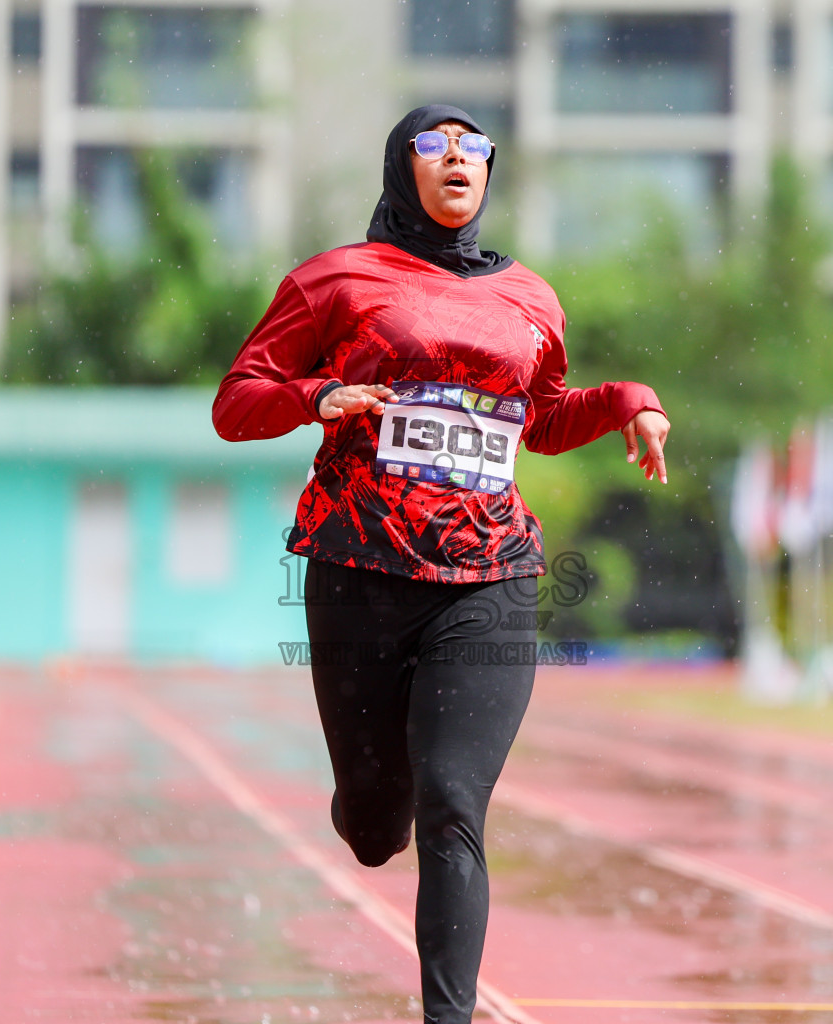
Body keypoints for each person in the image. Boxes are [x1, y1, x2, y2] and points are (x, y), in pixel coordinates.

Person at [212, 104, 670, 1024]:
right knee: (381, 829)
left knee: (455, 802)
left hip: (490, 574)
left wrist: (627, 400)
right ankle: (366, 805)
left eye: (474, 147)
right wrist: (318, 395)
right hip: (361, 571)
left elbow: (540, 417)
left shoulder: (530, 297)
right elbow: (235, 404)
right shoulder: (336, 279)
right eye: (435, 145)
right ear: (402, 165)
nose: (458, 159)